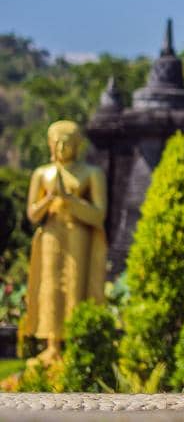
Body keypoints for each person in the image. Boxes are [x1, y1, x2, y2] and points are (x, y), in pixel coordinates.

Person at [21, 120, 109, 362]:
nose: (62, 147)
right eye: (57, 142)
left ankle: (75, 343)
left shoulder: (92, 173)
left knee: (75, 287)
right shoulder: (42, 174)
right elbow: (32, 214)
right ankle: (51, 344)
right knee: (50, 288)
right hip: (51, 233)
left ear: (77, 145)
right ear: (50, 144)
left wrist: (70, 199)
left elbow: (99, 213)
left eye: (67, 143)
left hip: (78, 233)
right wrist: (50, 198)